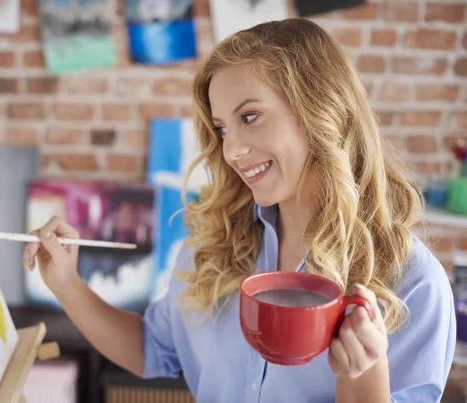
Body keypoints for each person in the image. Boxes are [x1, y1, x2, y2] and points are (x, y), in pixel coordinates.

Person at [23, 18, 456, 403]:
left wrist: (363, 375)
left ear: (322, 110)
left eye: (250, 117)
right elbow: (151, 349)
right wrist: (67, 284)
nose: (230, 150)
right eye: (222, 128)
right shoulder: (213, 245)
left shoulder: (414, 284)